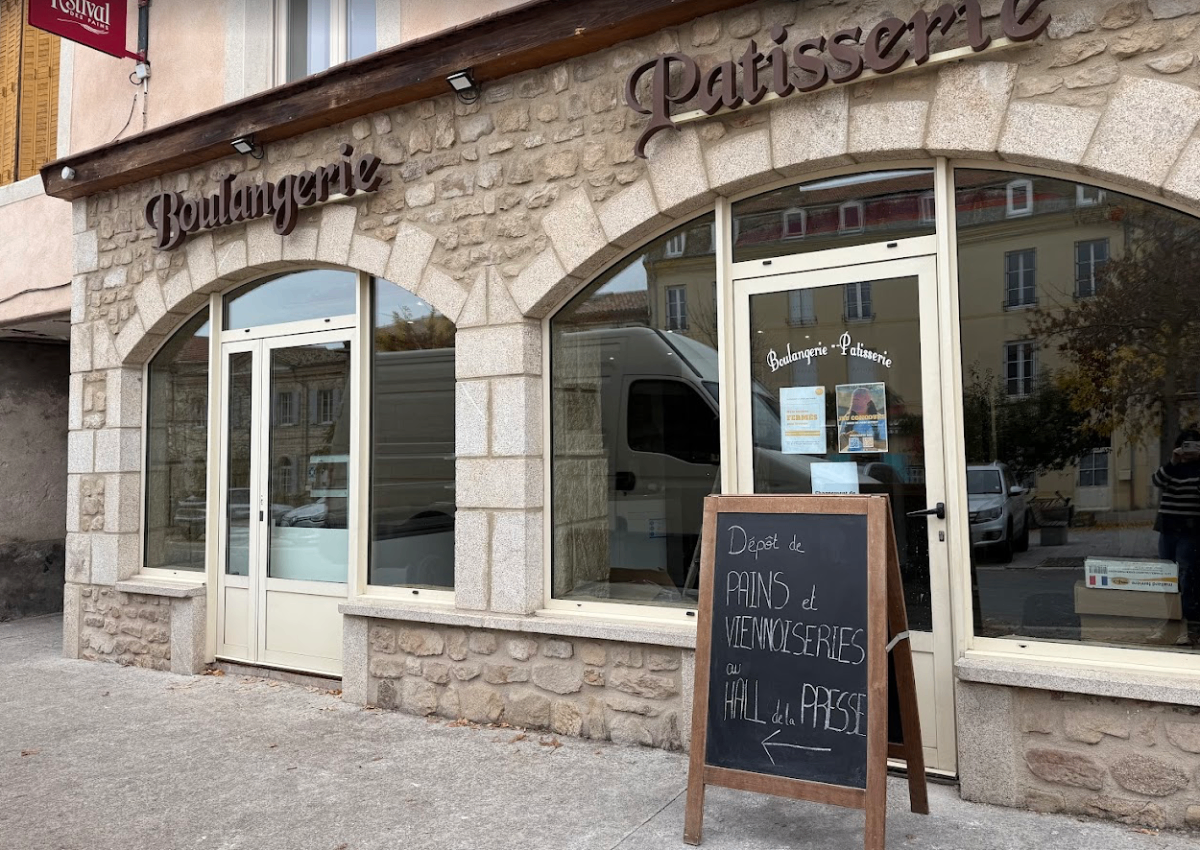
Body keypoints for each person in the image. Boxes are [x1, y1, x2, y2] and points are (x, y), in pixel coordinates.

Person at [1152, 428, 1200, 644]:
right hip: (1168, 529)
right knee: (1167, 579)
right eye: (1185, 445)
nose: (1189, 450)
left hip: (1190, 532)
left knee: (1185, 577)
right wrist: (1173, 461)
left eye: (1194, 445)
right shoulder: (1173, 467)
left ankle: (1189, 628)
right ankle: (1172, 623)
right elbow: (1157, 481)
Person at [840, 386, 884, 452]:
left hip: (874, 457)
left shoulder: (880, 420)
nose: (854, 404)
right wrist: (844, 439)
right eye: (853, 401)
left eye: (857, 401)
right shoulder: (846, 420)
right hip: (851, 456)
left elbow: (884, 445)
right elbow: (839, 447)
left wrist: (860, 438)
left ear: (868, 403)